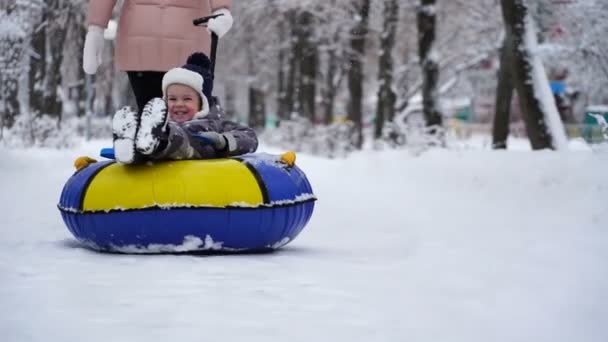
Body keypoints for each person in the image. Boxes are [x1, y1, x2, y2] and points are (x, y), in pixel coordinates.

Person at [83, 0, 234, 112]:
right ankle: (151, 141)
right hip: (148, 45)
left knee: (177, 112)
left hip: (152, 45)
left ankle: (154, 140)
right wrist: (96, 29)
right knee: (175, 110)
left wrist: (222, 9)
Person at [112, 53, 258, 164]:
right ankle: (133, 145)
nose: (179, 104)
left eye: (187, 99)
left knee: (180, 138)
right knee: (160, 136)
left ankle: (157, 141)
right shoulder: (163, 121)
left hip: (192, 149)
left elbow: (250, 137)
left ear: (202, 103)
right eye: (172, 99)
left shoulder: (215, 123)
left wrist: (223, 141)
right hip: (159, 150)